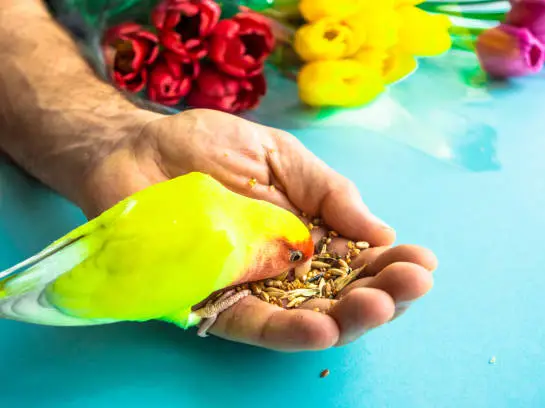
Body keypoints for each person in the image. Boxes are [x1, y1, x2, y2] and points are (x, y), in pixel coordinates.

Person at [0, 0, 438, 351]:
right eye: (292, 261)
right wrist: (203, 306)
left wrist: (116, 136)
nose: (295, 276)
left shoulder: (200, 187)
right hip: (75, 285)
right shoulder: (218, 255)